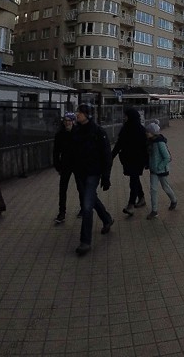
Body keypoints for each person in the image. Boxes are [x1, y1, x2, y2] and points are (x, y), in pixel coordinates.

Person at [72, 104, 114, 256]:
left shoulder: (98, 132)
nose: (77, 114)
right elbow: (72, 151)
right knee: (91, 199)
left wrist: (106, 176)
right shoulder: (76, 131)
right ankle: (107, 219)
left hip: (93, 173)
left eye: (80, 112)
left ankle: (85, 241)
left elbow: (106, 154)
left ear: (87, 114)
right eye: (77, 111)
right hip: (80, 172)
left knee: (87, 205)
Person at [111, 108, 148, 216]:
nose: (124, 117)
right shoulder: (126, 128)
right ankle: (141, 197)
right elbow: (119, 144)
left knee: (133, 180)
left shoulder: (141, 130)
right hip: (128, 159)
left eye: (126, 115)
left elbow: (146, 147)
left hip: (138, 160)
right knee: (134, 178)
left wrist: (147, 161)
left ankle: (131, 204)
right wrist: (111, 156)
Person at [145, 120, 177, 220]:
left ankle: (174, 200)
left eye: (148, 132)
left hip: (161, 170)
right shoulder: (150, 142)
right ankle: (154, 210)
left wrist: (159, 167)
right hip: (153, 170)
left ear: (152, 133)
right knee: (153, 190)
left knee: (165, 187)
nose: (146, 133)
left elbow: (167, 157)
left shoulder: (159, 142)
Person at [53, 112, 81, 223]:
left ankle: (83, 208)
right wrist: (57, 166)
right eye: (65, 121)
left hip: (77, 164)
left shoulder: (78, 132)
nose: (67, 123)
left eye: (69, 121)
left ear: (73, 121)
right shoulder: (60, 134)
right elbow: (56, 151)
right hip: (65, 164)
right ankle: (62, 212)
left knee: (80, 187)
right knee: (63, 188)